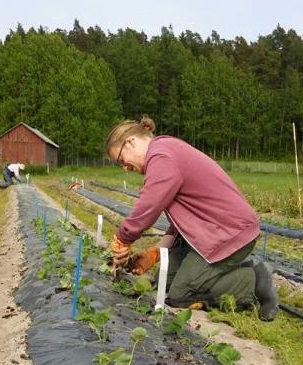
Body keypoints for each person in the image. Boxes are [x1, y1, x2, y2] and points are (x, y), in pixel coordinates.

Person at [108, 116, 278, 321]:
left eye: (120, 160)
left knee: (179, 295)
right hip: (210, 233)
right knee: (165, 279)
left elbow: (149, 205)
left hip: (228, 233)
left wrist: (123, 238)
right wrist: (155, 253)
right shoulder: (166, 150)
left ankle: (253, 279)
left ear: (131, 142)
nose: (124, 168)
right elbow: (181, 222)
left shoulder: (161, 156)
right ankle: (232, 272)